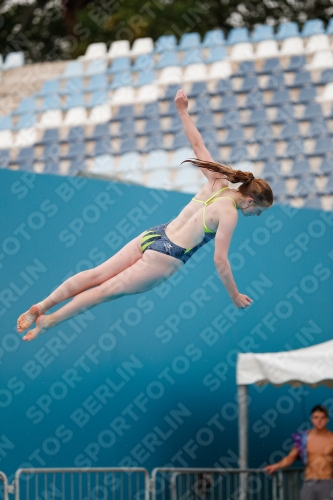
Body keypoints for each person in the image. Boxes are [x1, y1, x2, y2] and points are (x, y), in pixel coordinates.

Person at [17, 89, 273, 342]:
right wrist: (234, 295)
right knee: (104, 291)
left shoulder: (217, 180)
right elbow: (220, 261)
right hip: (167, 255)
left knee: (96, 274)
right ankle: (49, 322)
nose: (257, 216)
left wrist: (182, 111)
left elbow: (198, 144)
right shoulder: (230, 213)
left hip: (155, 233)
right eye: (259, 211)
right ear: (250, 200)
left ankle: (42, 304)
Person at [265, 404, 333, 499]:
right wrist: (275, 466)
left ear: (327, 420)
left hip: (327, 482)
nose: (319, 420)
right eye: (316, 417)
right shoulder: (303, 438)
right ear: (311, 419)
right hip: (309, 481)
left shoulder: (331, 438)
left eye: (322, 417)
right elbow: (291, 457)